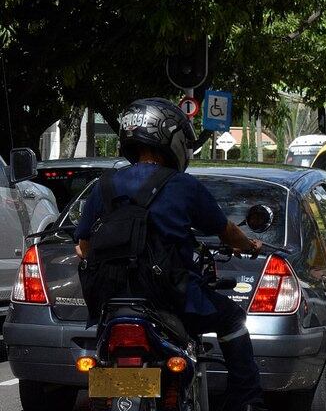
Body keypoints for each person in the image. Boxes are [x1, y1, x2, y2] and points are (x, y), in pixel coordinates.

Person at [74, 98, 266, 411]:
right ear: (170, 139)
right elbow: (225, 230)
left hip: (111, 299)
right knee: (232, 318)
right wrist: (248, 246)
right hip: (170, 295)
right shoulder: (182, 185)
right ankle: (247, 402)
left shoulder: (104, 185)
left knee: (103, 356)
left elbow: (82, 246)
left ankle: (110, 391)